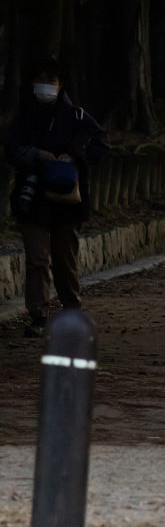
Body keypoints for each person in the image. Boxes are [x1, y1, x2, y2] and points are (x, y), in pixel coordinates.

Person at [2, 58, 111, 337]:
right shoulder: (23, 116)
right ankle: (38, 315)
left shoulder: (75, 116)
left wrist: (73, 157)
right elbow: (9, 147)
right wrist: (36, 155)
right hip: (31, 196)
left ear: (60, 84)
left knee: (65, 259)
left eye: (51, 80)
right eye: (39, 80)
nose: (45, 86)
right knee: (38, 258)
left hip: (66, 199)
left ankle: (71, 311)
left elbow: (101, 143)